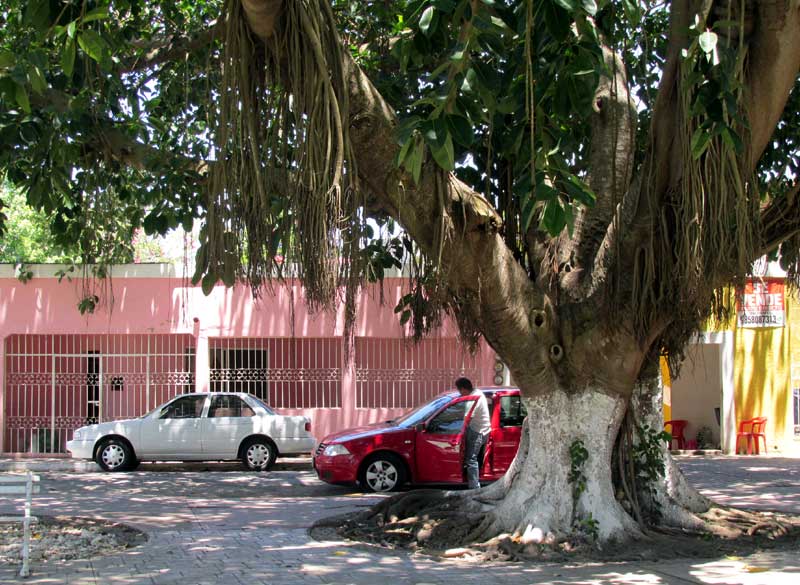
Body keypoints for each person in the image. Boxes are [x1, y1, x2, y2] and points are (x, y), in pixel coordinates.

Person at [455, 377, 490, 490]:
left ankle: (475, 488)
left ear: (464, 389)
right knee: (476, 458)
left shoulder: (474, 398)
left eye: (460, 390)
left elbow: (467, 418)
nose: (460, 393)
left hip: (477, 432)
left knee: (471, 459)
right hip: (483, 429)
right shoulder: (477, 392)